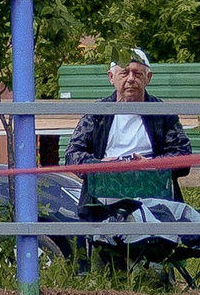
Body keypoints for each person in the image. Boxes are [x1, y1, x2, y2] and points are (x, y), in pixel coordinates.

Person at [67, 49, 191, 195]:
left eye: (137, 73)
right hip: (104, 195)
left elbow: (184, 156)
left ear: (148, 77)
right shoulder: (97, 113)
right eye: (124, 73)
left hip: (153, 193)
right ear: (111, 77)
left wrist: (152, 166)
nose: (131, 79)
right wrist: (99, 166)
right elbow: (72, 155)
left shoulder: (162, 113)